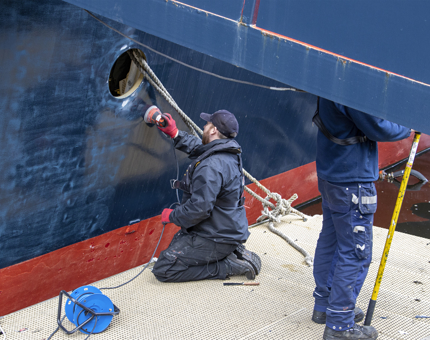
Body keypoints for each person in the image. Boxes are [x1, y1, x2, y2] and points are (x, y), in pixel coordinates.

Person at [311, 98, 411, 340]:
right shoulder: (354, 87)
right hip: (351, 179)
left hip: (331, 173)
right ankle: (340, 325)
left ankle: (325, 307)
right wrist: (409, 127)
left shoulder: (331, 80)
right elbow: (376, 126)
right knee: (355, 251)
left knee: (332, 239)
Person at [151, 109, 261, 282]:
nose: (203, 125)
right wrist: (175, 133)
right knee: (178, 245)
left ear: (213, 130)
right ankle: (231, 249)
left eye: (207, 123)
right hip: (225, 228)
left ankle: (227, 265)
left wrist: (172, 215)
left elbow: (199, 208)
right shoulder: (227, 152)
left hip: (216, 234)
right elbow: (200, 147)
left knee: (165, 268)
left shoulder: (210, 166)